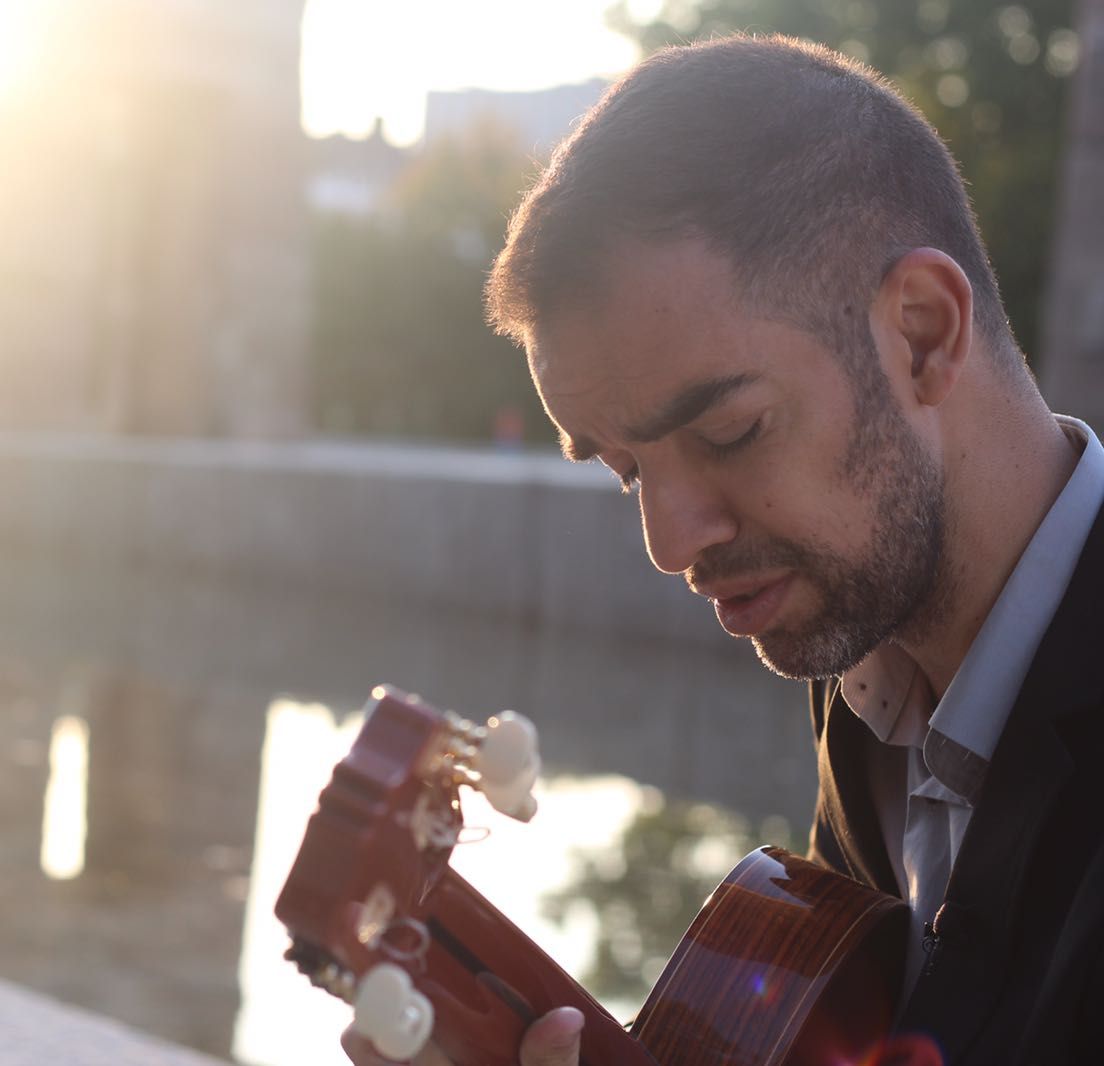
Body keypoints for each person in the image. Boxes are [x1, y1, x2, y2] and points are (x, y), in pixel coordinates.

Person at [344, 33, 1104, 1066]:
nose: (668, 541)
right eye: (624, 467)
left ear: (922, 333)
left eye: (729, 432)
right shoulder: (866, 676)